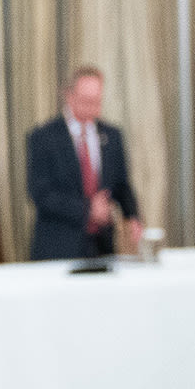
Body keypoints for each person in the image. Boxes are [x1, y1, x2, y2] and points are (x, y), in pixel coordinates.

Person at [25, 65, 142, 260]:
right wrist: (88, 209)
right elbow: (40, 194)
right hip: (58, 248)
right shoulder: (44, 138)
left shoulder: (112, 136)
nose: (93, 108)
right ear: (69, 96)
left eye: (97, 101)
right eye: (87, 101)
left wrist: (132, 216)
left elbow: (121, 184)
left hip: (101, 247)